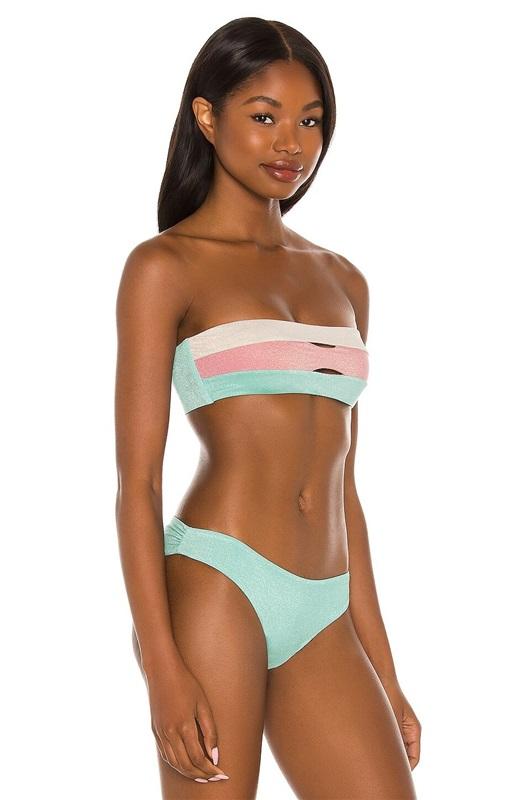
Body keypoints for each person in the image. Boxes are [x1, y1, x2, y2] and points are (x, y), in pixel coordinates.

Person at [114, 16, 420, 799]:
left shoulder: (342, 280)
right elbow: (138, 484)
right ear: (207, 116)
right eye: (264, 116)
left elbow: (344, 489)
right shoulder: (165, 267)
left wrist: (385, 672)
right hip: (220, 582)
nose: (292, 143)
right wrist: (161, 668)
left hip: (325, 604)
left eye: (310, 121)